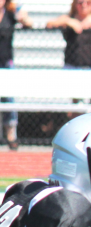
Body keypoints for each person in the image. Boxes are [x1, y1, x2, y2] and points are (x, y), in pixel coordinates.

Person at [0, 0, 32, 150]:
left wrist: (23, 16)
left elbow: (28, 23)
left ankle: (11, 135)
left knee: (9, 99)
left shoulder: (10, 13)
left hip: (6, 61)